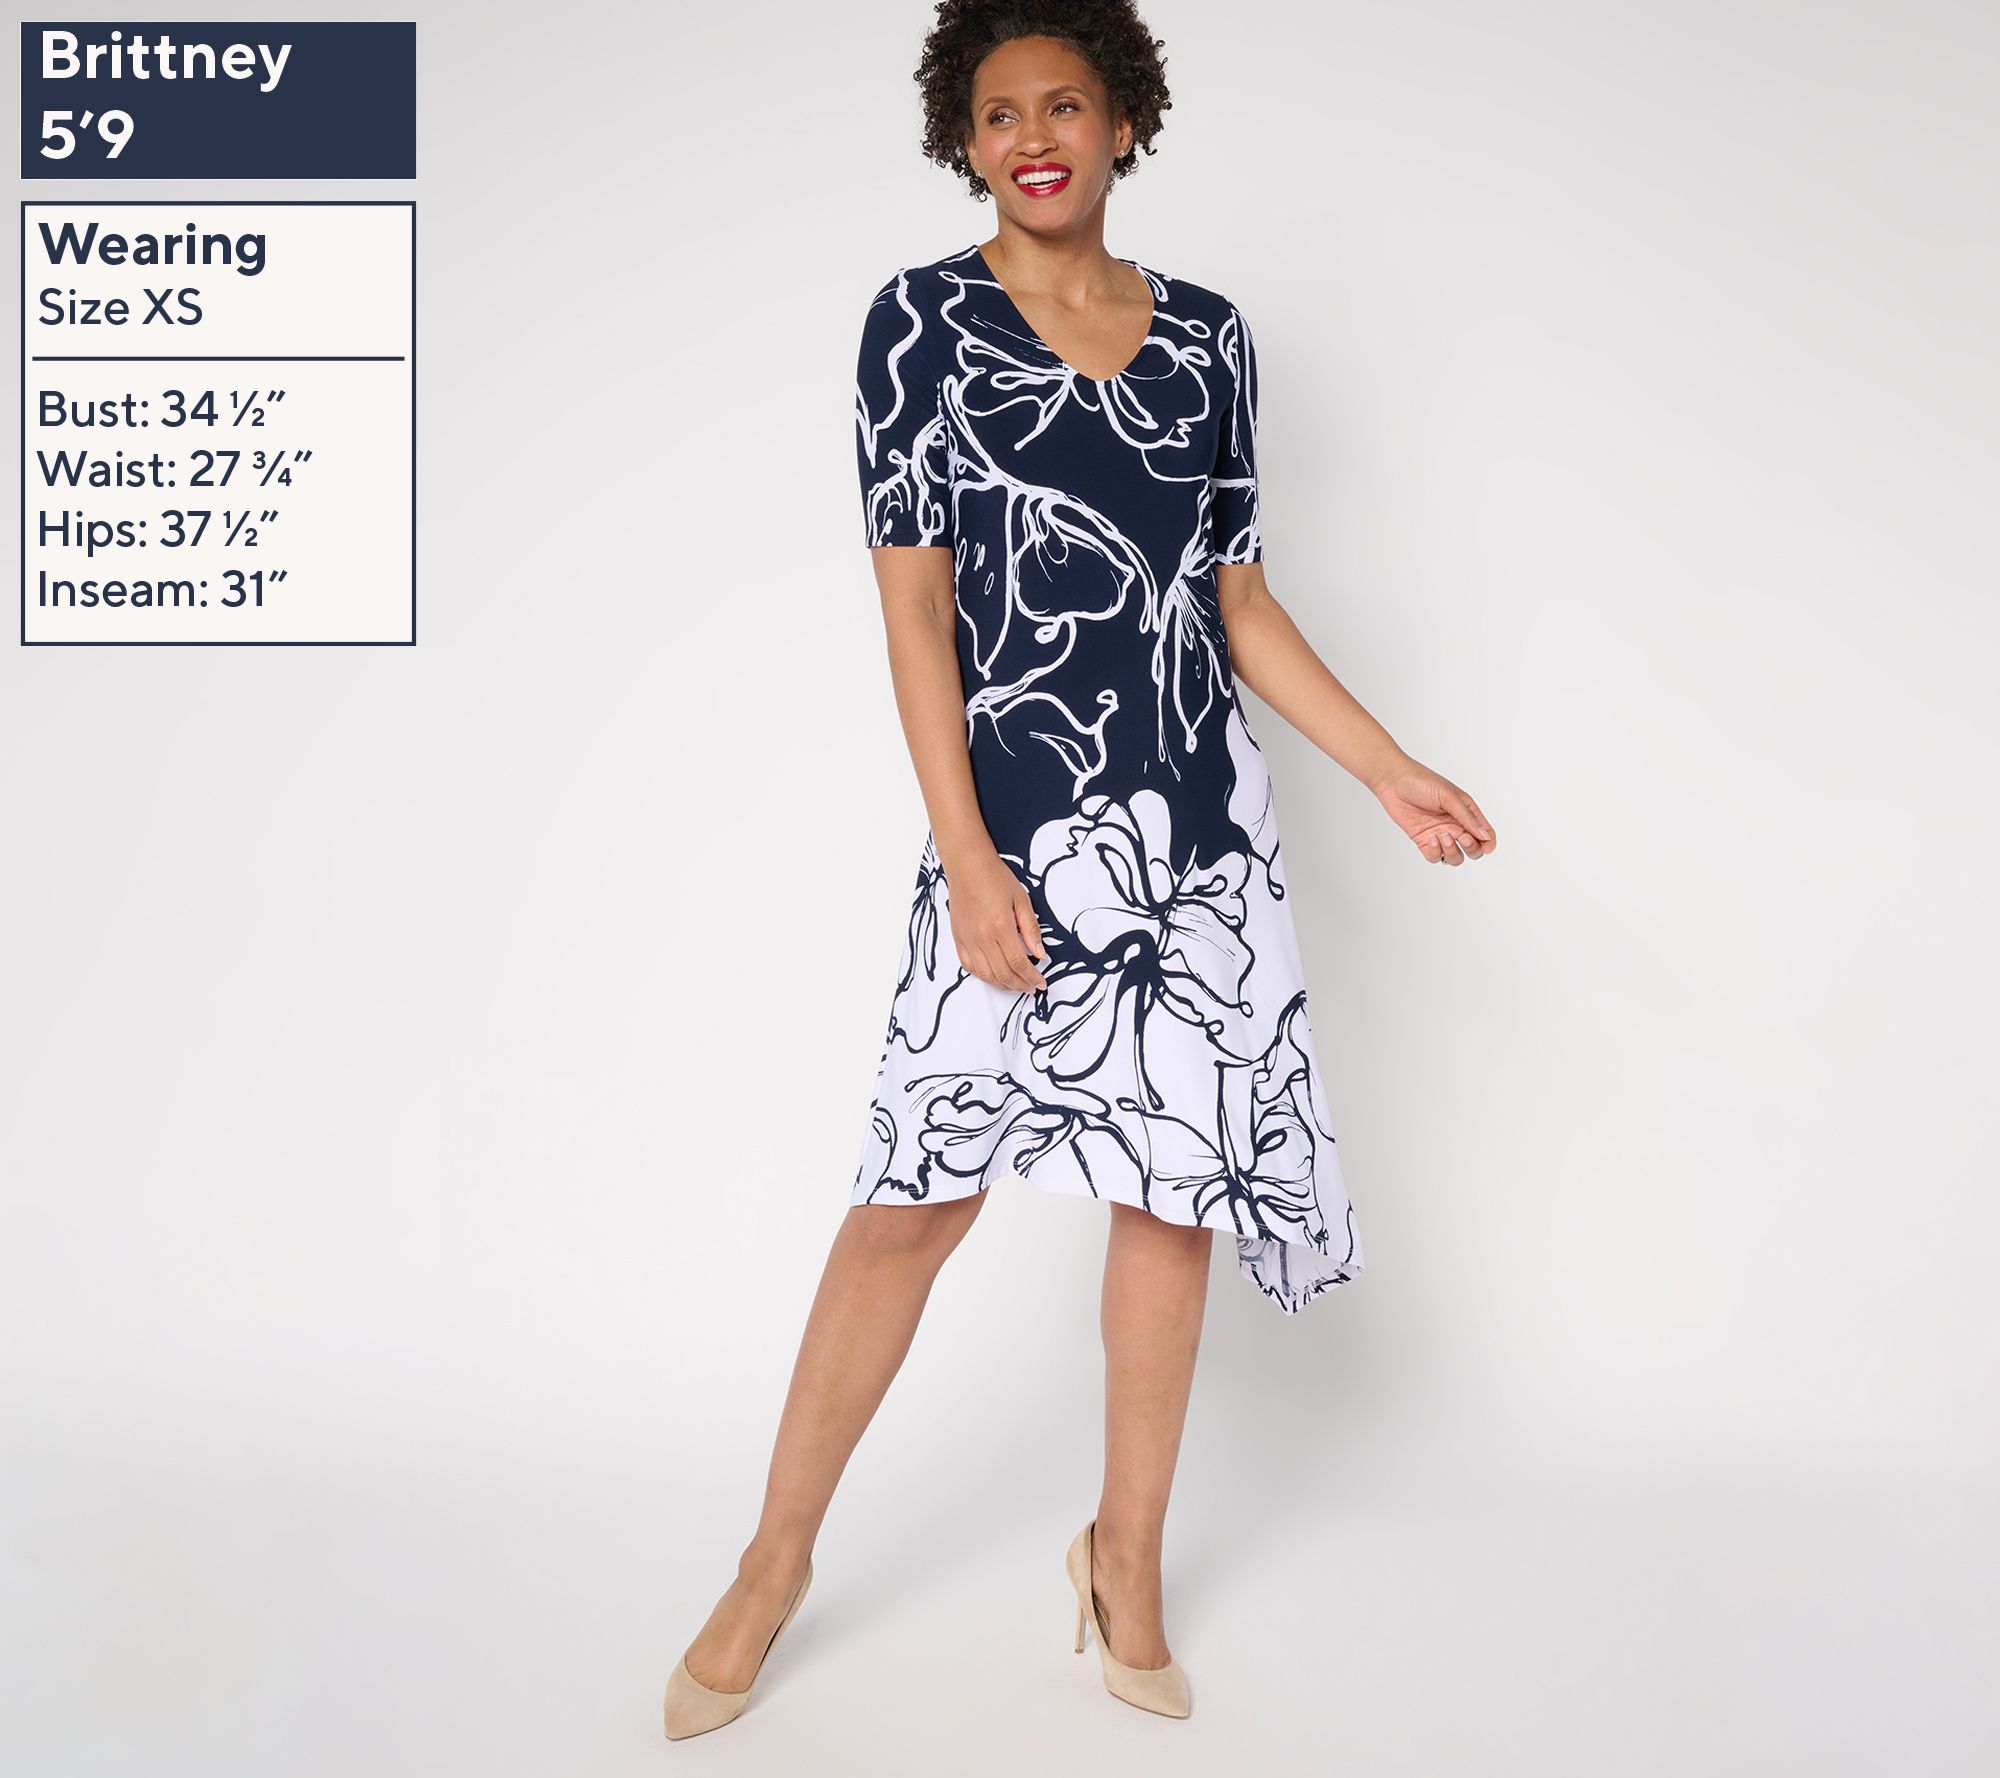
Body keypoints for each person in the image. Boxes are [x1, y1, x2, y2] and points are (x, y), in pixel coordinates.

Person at [663, 0, 1496, 1739]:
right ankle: (772, 1558)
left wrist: (1385, 763)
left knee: (1171, 1196)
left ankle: (1127, 1559)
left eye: (1065, 102)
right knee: (914, 1200)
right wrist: (969, 856)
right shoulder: (920, 324)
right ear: (962, 141)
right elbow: (915, 611)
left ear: (1125, 122)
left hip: (1196, 829)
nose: (1032, 134)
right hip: (1019, 830)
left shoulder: (1209, 338)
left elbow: (1235, 597)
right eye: (998, 111)